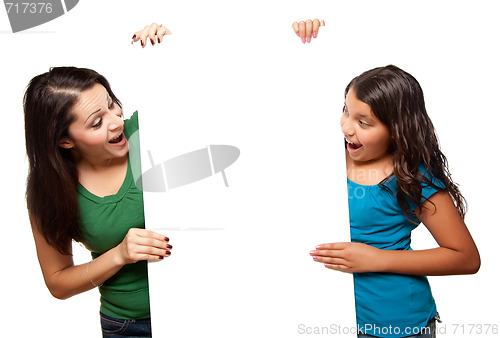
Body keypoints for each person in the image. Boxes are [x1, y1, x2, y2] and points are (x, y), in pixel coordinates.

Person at [308, 65, 480, 337]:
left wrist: (376, 259)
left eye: (363, 123)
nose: (346, 128)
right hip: (319, 312)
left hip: (397, 324)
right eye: (345, 111)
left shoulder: (413, 177)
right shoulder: (318, 154)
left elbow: (466, 258)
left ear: (397, 130)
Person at [24, 24, 170, 338]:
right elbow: (58, 282)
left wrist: (170, 45)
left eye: (111, 104)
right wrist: (119, 254)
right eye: (96, 122)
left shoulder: (152, 129)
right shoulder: (49, 191)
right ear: (64, 140)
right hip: (129, 326)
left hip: (208, 304)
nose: (117, 121)